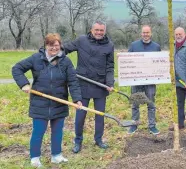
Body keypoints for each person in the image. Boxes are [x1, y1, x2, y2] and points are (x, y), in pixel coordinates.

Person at [12, 33, 82, 167]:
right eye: (51, 45)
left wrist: (77, 99)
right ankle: (35, 158)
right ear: (46, 45)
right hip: (40, 102)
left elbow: (73, 81)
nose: (54, 48)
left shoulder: (65, 61)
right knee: (38, 131)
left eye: (56, 45)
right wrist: (24, 84)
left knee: (58, 131)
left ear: (60, 45)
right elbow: (17, 68)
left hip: (59, 102)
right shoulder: (36, 58)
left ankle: (56, 155)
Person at [64, 21, 115, 153]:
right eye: (96, 30)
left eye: (101, 30)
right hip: (83, 84)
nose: (99, 32)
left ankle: (98, 140)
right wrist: (51, 53)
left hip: (100, 85)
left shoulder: (109, 45)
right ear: (91, 30)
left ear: (105, 31)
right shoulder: (81, 40)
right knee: (80, 116)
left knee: (100, 115)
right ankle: (78, 141)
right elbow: (65, 49)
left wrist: (109, 83)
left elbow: (110, 66)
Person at [127, 25, 161, 135]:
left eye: (147, 32)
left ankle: (152, 126)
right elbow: (127, 61)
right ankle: (134, 125)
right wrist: (121, 59)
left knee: (151, 104)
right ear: (141, 33)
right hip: (136, 80)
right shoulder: (134, 45)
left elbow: (160, 63)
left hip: (150, 82)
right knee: (135, 104)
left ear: (151, 33)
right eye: (143, 32)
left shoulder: (156, 47)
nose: (145, 34)